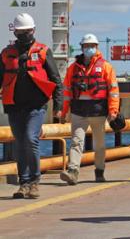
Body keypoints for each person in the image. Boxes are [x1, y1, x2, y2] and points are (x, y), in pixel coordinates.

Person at [0, 13, 62, 199]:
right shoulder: (6, 53)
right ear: (15, 32)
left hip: (36, 106)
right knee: (20, 144)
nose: (23, 34)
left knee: (30, 139)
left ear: (33, 30)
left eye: (26, 31)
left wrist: (58, 106)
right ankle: (24, 183)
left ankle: (34, 181)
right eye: (20, 31)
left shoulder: (43, 51)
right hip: (14, 106)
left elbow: (56, 80)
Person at [60, 33, 119, 185]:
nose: (89, 49)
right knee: (76, 142)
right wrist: (64, 111)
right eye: (86, 46)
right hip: (78, 111)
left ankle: (99, 172)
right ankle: (73, 171)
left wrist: (113, 111)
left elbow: (113, 92)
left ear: (96, 47)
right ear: (82, 48)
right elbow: (67, 92)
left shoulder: (106, 67)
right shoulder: (73, 68)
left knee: (99, 145)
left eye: (91, 46)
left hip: (98, 111)